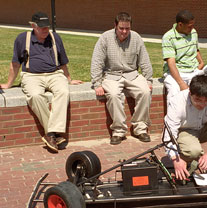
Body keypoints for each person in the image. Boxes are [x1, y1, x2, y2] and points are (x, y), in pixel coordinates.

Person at [0, 12, 82, 152]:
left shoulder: (55, 37)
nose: (45, 30)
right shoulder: (22, 39)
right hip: (31, 76)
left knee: (63, 92)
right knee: (35, 96)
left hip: (54, 74)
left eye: (47, 27)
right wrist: (8, 84)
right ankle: (54, 134)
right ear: (33, 26)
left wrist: (69, 79)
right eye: (42, 27)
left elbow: (62, 62)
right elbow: (15, 64)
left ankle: (51, 133)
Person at [91, 12, 153, 145]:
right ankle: (118, 131)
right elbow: (97, 61)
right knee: (113, 95)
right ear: (115, 26)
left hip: (132, 74)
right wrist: (97, 84)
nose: (124, 31)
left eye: (127, 28)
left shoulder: (136, 37)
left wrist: (148, 80)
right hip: (111, 75)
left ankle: (140, 128)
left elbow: (145, 60)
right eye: (121, 28)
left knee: (145, 92)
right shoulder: (105, 38)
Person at [162, 10, 207, 105]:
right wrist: (181, 84)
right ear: (180, 24)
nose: (192, 28)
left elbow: (196, 49)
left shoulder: (193, 32)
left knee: (202, 92)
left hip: (193, 71)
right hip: (175, 73)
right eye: (189, 26)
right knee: (174, 93)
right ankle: (172, 119)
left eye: (193, 25)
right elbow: (171, 63)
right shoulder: (168, 37)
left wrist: (201, 63)